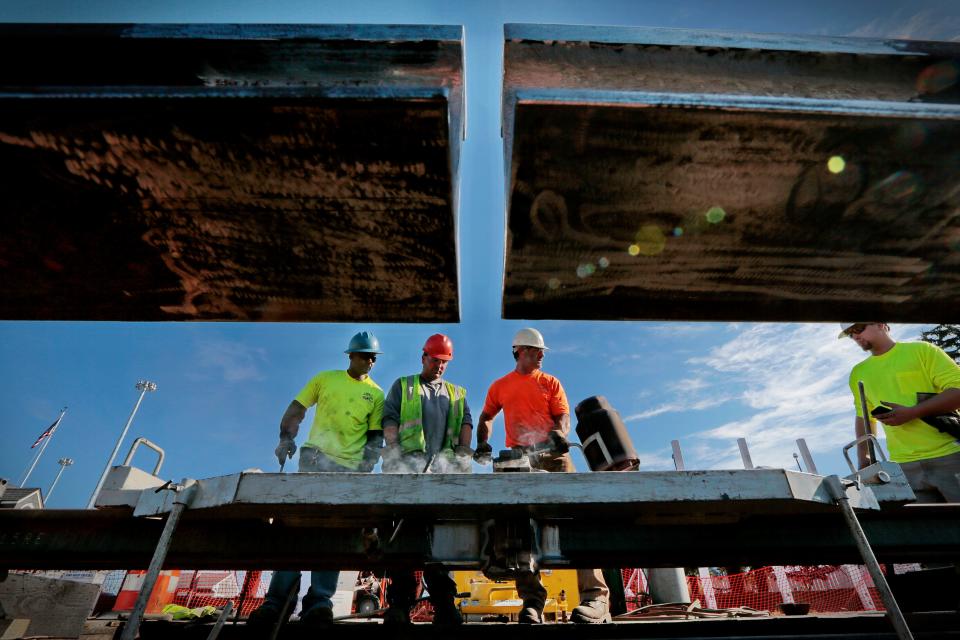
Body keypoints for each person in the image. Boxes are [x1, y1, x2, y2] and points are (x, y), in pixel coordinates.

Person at [247, 331, 385, 629]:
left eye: (374, 357)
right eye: (365, 355)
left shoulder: (376, 394)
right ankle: (276, 603)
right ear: (351, 356)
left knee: (333, 536)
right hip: (314, 458)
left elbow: (374, 439)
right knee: (296, 528)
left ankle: (320, 603)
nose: (370, 361)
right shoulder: (325, 379)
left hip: (348, 470)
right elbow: (297, 409)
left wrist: (365, 470)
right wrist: (286, 437)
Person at [474, 327, 611, 624]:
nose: (541, 357)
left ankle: (596, 598)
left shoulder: (550, 382)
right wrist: (483, 442)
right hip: (519, 462)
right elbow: (486, 416)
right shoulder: (501, 386)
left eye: (542, 353)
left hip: (554, 457)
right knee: (517, 529)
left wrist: (559, 433)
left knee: (578, 518)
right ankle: (533, 600)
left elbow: (562, 416)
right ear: (520, 351)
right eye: (537, 352)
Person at [380, 333, 473, 626]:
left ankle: (445, 605)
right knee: (404, 537)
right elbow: (390, 419)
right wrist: (393, 452)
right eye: (435, 360)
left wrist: (461, 455)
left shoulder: (457, 393)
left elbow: (467, 423)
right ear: (424, 358)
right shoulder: (404, 386)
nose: (440, 366)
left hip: (442, 476)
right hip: (408, 471)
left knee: (440, 543)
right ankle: (399, 605)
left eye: (444, 362)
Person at [840, 322, 960, 502]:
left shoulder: (922, 351)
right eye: (850, 333)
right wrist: (863, 459)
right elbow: (863, 416)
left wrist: (913, 412)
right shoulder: (858, 373)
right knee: (928, 529)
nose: (855, 336)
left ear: (881, 324)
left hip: (951, 455)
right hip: (903, 466)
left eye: (859, 329)